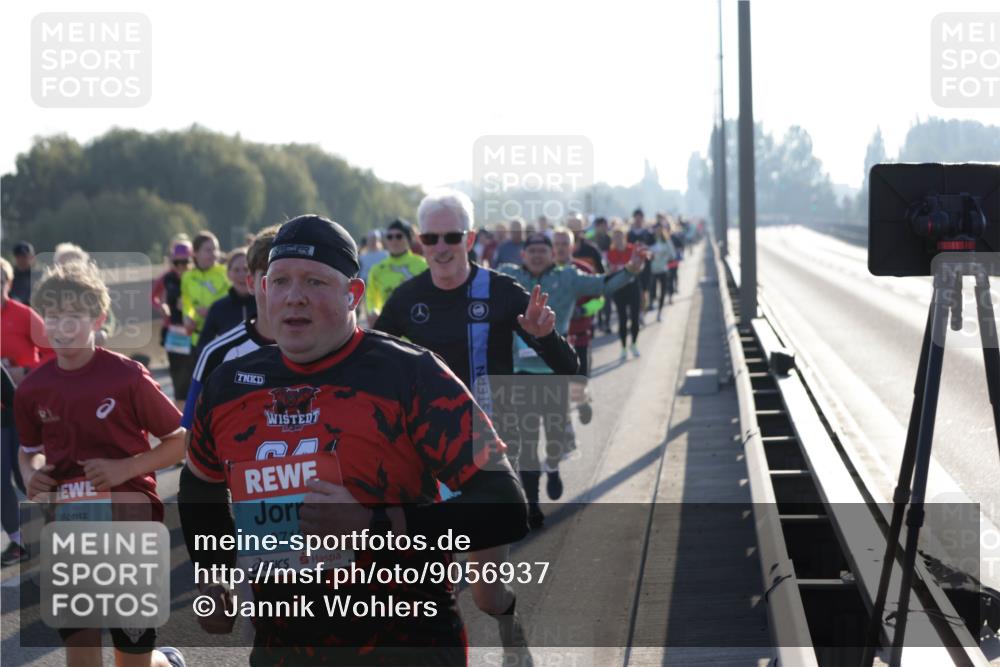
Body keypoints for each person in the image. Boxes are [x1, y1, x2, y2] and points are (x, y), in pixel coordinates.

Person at [179, 214, 527, 666]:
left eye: (315, 282)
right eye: (280, 280)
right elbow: (199, 483)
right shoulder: (229, 387)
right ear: (263, 290)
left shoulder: (412, 374)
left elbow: (505, 506)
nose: (294, 296)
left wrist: (373, 527)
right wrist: (214, 572)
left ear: (354, 295)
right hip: (282, 649)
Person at [373, 189, 578, 663]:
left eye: (451, 236)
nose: (440, 246)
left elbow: (566, 364)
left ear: (469, 237)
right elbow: (369, 366)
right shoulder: (406, 300)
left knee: (487, 596)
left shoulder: (501, 291)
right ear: (420, 241)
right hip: (423, 462)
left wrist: (547, 338)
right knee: (434, 589)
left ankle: (510, 626)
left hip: (482, 459)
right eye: (430, 236)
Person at [14, 261, 186, 667]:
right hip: (69, 532)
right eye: (53, 316)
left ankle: (163, 662)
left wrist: (124, 469)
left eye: (74, 315)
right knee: (82, 653)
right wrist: (31, 475)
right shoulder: (33, 390)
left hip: (131, 526)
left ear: (98, 319)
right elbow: (27, 450)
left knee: (132, 656)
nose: (62, 326)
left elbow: (181, 442)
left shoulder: (127, 376)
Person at [498, 230, 642, 509]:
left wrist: (631, 270)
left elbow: (603, 285)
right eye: (533, 251)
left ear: (554, 254)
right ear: (523, 255)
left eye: (544, 250)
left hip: (555, 368)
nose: (538, 255)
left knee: (554, 434)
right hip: (520, 371)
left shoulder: (568, 277)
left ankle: (552, 469)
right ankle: (532, 503)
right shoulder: (508, 277)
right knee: (526, 440)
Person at [181, 226, 278, 430]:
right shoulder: (216, 352)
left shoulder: (328, 346)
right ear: (251, 282)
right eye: (274, 279)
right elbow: (190, 434)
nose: (287, 291)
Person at [1, 257, 55, 566]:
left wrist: (23, 370)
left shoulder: (23, 316)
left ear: (8, 283)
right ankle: (18, 541)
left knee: (27, 477)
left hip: (21, 406)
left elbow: (51, 353)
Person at [152, 240, 195, 410]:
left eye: (185, 262)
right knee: (178, 379)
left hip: (193, 332)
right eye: (176, 262)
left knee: (195, 377)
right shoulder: (166, 278)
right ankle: (181, 420)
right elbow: (153, 297)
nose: (180, 266)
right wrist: (161, 307)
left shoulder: (196, 277)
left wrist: (189, 307)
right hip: (173, 332)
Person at [364, 218, 428, 321]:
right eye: (389, 237)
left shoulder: (422, 264)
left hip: (417, 323)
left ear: (408, 239)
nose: (394, 240)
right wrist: (373, 311)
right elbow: (371, 297)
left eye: (399, 236)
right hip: (389, 327)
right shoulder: (377, 269)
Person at [181, 231, 230, 348]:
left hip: (222, 337)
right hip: (197, 340)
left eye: (216, 249)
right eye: (208, 250)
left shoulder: (226, 273)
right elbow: (187, 303)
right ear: (195, 253)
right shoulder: (187, 277)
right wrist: (187, 318)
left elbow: (234, 302)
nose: (214, 254)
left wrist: (213, 313)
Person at [197, 247, 255, 346]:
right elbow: (203, 345)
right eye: (236, 270)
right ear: (228, 274)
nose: (242, 275)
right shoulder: (218, 308)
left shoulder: (264, 305)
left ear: (253, 273)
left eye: (246, 269)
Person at [608, 224, 645, 360]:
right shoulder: (611, 252)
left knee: (635, 319)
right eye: (615, 237)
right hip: (619, 289)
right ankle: (623, 347)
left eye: (620, 236)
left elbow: (639, 267)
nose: (618, 239)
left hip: (633, 287)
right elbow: (611, 271)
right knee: (622, 319)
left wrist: (632, 267)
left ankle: (634, 344)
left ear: (625, 237)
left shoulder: (632, 249)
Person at [649, 220, 679, 319]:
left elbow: (673, 255)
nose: (657, 231)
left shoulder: (667, 241)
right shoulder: (650, 240)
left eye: (659, 229)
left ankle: (660, 312)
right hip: (652, 270)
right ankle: (650, 304)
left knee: (662, 291)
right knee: (652, 290)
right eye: (656, 229)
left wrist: (664, 256)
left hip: (663, 269)